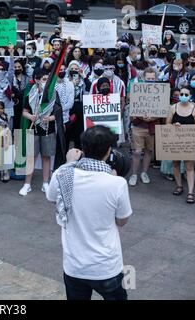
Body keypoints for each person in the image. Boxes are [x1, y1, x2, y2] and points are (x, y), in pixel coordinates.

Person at [46, 125, 132, 300]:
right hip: (106, 266)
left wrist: (68, 163)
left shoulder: (63, 175)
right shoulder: (116, 183)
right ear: (108, 151)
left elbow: (51, 196)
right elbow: (122, 221)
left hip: (74, 266)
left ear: (83, 149)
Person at [19, 69, 56, 196]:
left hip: (47, 129)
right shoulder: (30, 94)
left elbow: (59, 113)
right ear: (37, 80)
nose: (46, 82)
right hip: (33, 129)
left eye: (48, 80)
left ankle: (45, 183)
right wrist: (30, 117)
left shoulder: (53, 94)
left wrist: (50, 118)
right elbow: (24, 112)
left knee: (46, 156)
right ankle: (27, 184)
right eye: (44, 79)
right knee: (30, 157)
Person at [166, 86, 195, 204]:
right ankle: (179, 186)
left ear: (190, 96)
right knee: (175, 163)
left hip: (189, 143)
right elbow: (167, 124)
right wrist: (174, 125)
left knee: (189, 166)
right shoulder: (173, 108)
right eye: (182, 94)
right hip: (175, 141)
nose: (183, 96)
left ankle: (191, 192)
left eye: (186, 95)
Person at [128, 67, 161, 186]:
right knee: (137, 151)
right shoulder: (136, 90)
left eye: (153, 78)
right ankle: (134, 174)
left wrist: (151, 118)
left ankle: (144, 173)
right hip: (139, 126)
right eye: (148, 78)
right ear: (143, 78)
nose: (150, 80)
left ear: (156, 78)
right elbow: (132, 108)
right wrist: (142, 117)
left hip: (152, 126)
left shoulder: (160, 91)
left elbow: (162, 109)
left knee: (149, 150)